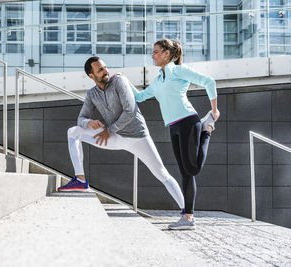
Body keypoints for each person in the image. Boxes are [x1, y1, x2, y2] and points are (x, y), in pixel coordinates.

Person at [58, 56, 185, 215]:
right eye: (100, 70)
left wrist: (109, 130)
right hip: (116, 138)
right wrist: (89, 122)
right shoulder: (92, 94)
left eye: (105, 67)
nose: (105, 71)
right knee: (73, 131)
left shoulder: (119, 82)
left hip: (138, 138)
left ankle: (187, 212)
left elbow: (130, 110)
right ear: (91, 76)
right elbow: (80, 119)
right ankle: (81, 180)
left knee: (162, 174)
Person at [131, 38, 220, 230]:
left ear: (166, 53)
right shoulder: (157, 80)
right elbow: (139, 97)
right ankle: (188, 218)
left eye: (155, 52)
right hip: (173, 126)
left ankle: (208, 129)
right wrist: (123, 81)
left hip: (188, 121)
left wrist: (214, 110)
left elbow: (208, 81)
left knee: (193, 169)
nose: (152, 56)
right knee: (186, 173)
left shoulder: (178, 70)